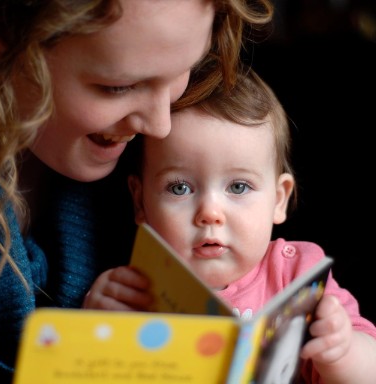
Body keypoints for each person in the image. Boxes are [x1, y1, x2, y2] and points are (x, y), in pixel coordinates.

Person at [0, 0, 274, 382]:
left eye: (183, 70)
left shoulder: (166, 152)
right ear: (2, 50)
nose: (159, 126)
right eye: (118, 86)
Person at [85, 70, 376, 383]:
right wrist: (96, 329)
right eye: (180, 188)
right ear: (140, 202)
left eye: (238, 187)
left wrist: (341, 351)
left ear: (279, 200)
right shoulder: (133, 292)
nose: (210, 213)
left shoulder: (296, 275)